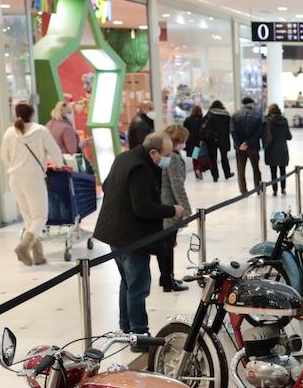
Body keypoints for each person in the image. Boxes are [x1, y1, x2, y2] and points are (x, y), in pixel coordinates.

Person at [92, 131, 184, 336]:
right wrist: (172, 210)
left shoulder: (124, 157)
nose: (169, 158)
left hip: (114, 231)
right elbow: (143, 208)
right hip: (131, 236)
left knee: (128, 282)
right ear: (153, 152)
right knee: (138, 286)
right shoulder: (141, 168)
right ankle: (140, 334)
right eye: (167, 154)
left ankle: (126, 327)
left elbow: (107, 185)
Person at [0, 102, 65, 266]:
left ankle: (38, 255)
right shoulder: (40, 131)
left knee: (29, 216)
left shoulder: (9, 132)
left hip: (14, 179)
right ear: (32, 114)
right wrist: (56, 163)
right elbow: (56, 154)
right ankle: (23, 246)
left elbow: (4, 157)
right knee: (40, 217)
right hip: (33, 179)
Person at [158, 124, 193, 291]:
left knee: (164, 242)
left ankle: (164, 277)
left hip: (162, 203)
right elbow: (177, 185)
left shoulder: (163, 156)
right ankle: (168, 280)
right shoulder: (173, 158)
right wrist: (186, 209)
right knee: (167, 243)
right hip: (170, 206)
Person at [232, 97, 264, 194]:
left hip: (240, 148)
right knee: (256, 168)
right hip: (253, 146)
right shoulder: (258, 115)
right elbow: (259, 132)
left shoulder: (235, 115)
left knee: (241, 170)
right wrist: (249, 143)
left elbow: (233, 131)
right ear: (252, 104)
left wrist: (239, 144)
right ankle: (258, 189)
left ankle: (243, 190)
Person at [263, 104, 292, 194]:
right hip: (282, 148)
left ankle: (274, 190)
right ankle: (283, 189)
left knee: (273, 171)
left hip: (271, 148)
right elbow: (289, 136)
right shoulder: (284, 120)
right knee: (283, 170)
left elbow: (266, 136)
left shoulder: (267, 121)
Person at [201, 100, 232, 182]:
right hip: (223, 139)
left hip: (211, 139)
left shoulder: (210, 114)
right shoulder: (226, 115)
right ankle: (227, 174)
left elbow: (203, 125)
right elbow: (230, 127)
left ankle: (215, 176)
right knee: (224, 157)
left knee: (213, 158)